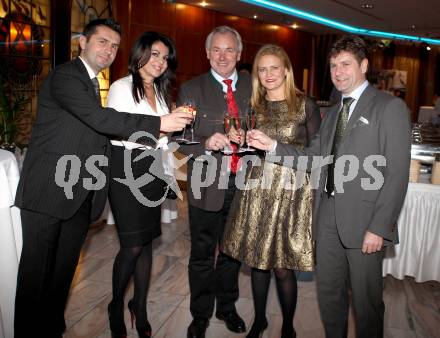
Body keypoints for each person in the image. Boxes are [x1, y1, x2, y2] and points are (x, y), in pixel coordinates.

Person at [14, 19, 192, 338]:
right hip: (48, 190)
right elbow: (102, 120)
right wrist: (159, 123)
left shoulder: (93, 82)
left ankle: (51, 327)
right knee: (35, 278)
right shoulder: (67, 76)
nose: (109, 50)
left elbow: (94, 133)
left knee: (62, 274)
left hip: (79, 191)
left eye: (113, 45)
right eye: (102, 42)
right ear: (83, 42)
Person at [247, 35, 411, 338]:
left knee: (366, 303)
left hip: (365, 224)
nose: (338, 72)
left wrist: (379, 227)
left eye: (346, 64)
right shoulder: (333, 111)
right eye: (334, 65)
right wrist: (272, 146)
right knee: (330, 298)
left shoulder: (389, 107)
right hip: (326, 221)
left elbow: (397, 175)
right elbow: (313, 158)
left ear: (364, 65)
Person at [222, 44, 321, 338]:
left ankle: (288, 326)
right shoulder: (256, 105)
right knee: (257, 262)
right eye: (261, 69)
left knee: (282, 267)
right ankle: (259, 321)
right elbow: (252, 147)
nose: (268, 74)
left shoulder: (306, 105)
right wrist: (240, 137)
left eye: (274, 68)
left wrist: (273, 146)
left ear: (286, 70)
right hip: (257, 189)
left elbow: (316, 156)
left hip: (291, 191)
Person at [105, 31, 182, 338]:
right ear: (139, 53)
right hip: (125, 169)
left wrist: (174, 126)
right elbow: (116, 131)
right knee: (132, 245)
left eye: (165, 57)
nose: (160, 62)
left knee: (147, 241)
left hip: (153, 170)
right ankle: (115, 305)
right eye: (154, 54)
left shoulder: (160, 92)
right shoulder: (121, 87)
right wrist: (163, 127)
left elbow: (162, 137)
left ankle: (140, 305)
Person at [177, 25, 251, 338]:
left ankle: (227, 307)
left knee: (233, 251)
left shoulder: (253, 86)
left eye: (229, 49)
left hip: (245, 183)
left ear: (239, 54)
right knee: (203, 253)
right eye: (216, 50)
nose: (223, 56)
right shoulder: (191, 88)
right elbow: (181, 137)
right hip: (206, 182)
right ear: (207, 53)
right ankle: (200, 313)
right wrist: (206, 143)